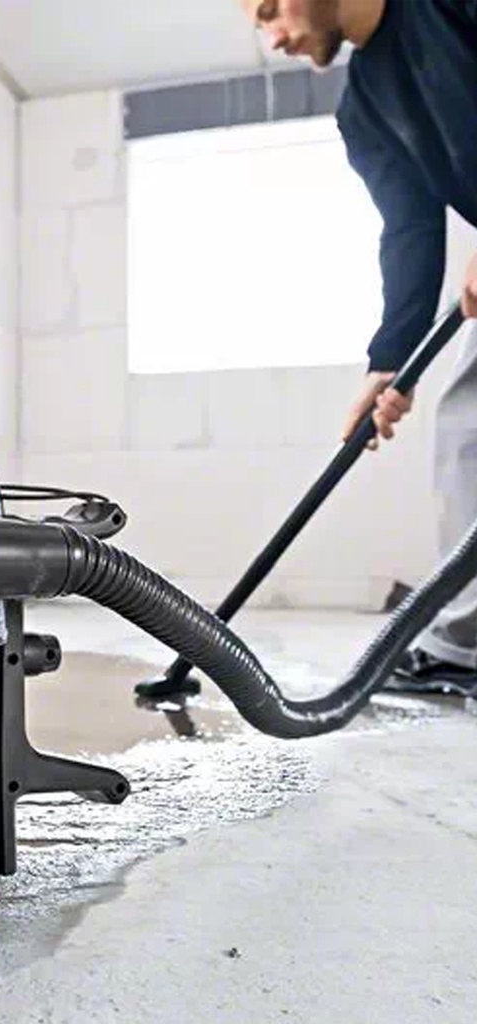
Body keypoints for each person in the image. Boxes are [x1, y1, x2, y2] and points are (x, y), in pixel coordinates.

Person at [239, 0, 477, 695]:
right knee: (467, 432)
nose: (273, 38)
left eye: (271, 10)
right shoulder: (365, 107)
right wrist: (388, 364)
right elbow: (410, 231)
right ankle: (465, 646)